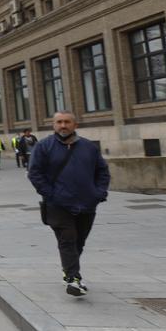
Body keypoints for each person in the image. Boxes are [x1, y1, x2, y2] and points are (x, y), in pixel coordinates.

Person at [27, 111, 109, 297]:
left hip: (87, 203)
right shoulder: (44, 146)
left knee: (79, 241)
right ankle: (73, 278)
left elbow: (102, 171)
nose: (63, 125)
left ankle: (69, 271)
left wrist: (98, 193)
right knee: (68, 238)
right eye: (59, 122)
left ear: (75, 125)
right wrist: (52, 195)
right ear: (54, 125)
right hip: (58, 204)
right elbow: (35, 173)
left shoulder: (89, 147)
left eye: (67, 122)